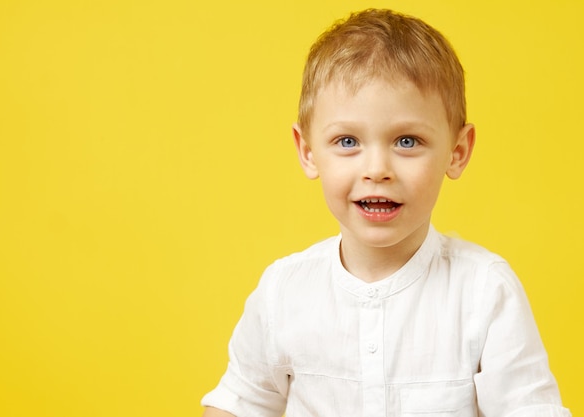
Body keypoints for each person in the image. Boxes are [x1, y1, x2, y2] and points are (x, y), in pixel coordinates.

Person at [201, 8, 570, 417]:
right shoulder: (283, 291)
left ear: (457, 152)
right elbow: (239, 403)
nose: (377, 170)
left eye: (407, 141)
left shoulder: (485, 292)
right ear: (308, 152)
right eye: (347, 141)